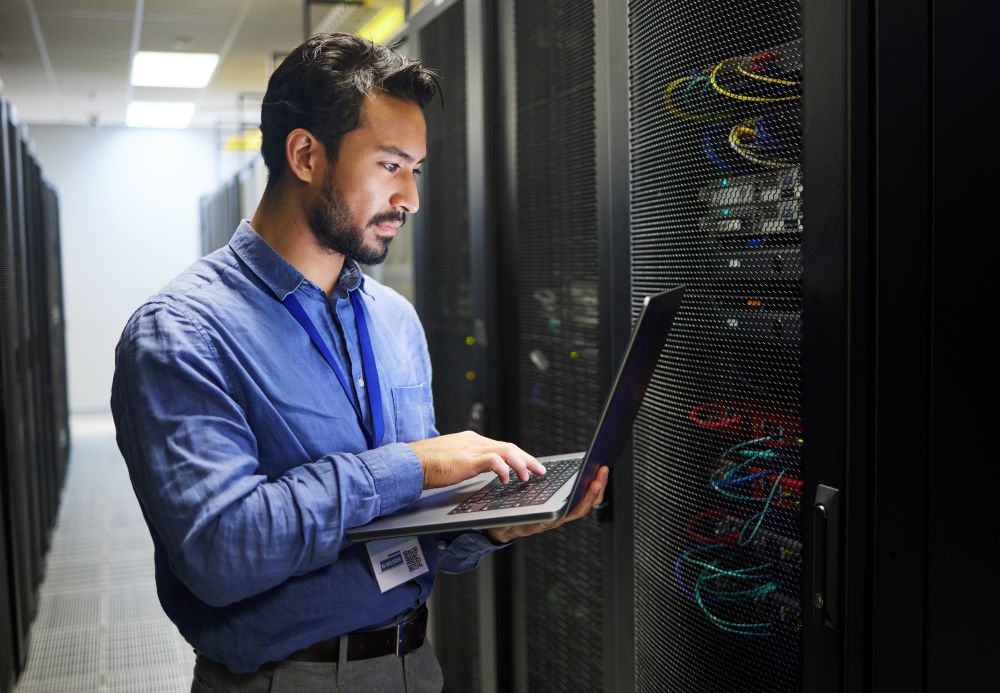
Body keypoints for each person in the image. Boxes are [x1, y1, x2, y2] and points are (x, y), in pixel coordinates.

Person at [110, 33, 609, 693]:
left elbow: (413, 519)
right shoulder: (182, 334)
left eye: (417, 170)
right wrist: (414, 464)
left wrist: (487, 527)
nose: (411, 198)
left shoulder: (394, 320)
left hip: (414, 662)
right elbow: (219, 551)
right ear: (305, 154)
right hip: (284, 677)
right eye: (390, 164)